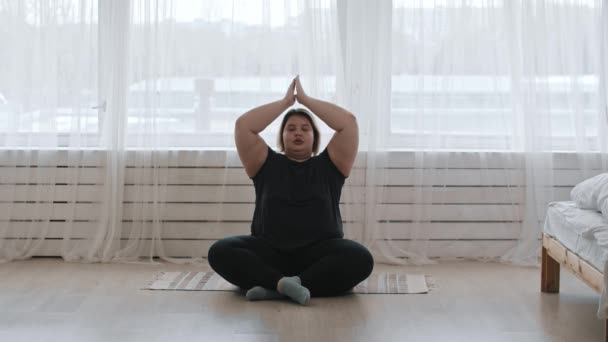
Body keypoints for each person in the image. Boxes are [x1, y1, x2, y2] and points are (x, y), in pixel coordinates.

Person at [207, 76, 374, 305]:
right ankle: (285, 283)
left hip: (319, 255)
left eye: (305, 129)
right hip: (270, 253)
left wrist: (305, 100)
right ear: (282, 137)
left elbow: (349, 123)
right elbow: (244, 126)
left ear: (314, 138)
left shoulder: (331, 165)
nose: (298, 133)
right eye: (291, 128)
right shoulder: (264, 163)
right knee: (220, 251)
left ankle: (277, 287)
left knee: (361, 259)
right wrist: (286, 103)